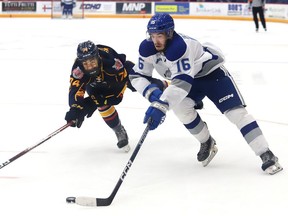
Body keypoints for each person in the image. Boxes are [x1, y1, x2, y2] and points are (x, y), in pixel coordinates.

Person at [129, 13, 283, 175]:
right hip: (189, 80)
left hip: (212, 75)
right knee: (181, 110)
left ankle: (265, 152)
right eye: (152, 35)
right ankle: (206, 141)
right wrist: (152, 95)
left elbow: (181, 83)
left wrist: (161, 105)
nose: (155, 41)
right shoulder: (148, 48)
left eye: (159, 35)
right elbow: (137, 75)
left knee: (237, 114)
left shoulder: (180, 48)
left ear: (169, 33)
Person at [65, 40, 168, 153]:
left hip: (122, 74)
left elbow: (119, 88)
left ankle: (167, 86)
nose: (90, 67)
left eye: (92, 62)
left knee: (141, 83)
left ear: (98, 57)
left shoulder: (112, 63)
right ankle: (119, 130)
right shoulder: (78, 70)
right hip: (96, 83)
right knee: (101, 104)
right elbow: (75, 89)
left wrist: (97, 101)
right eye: (86, 64)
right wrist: (75, 108)